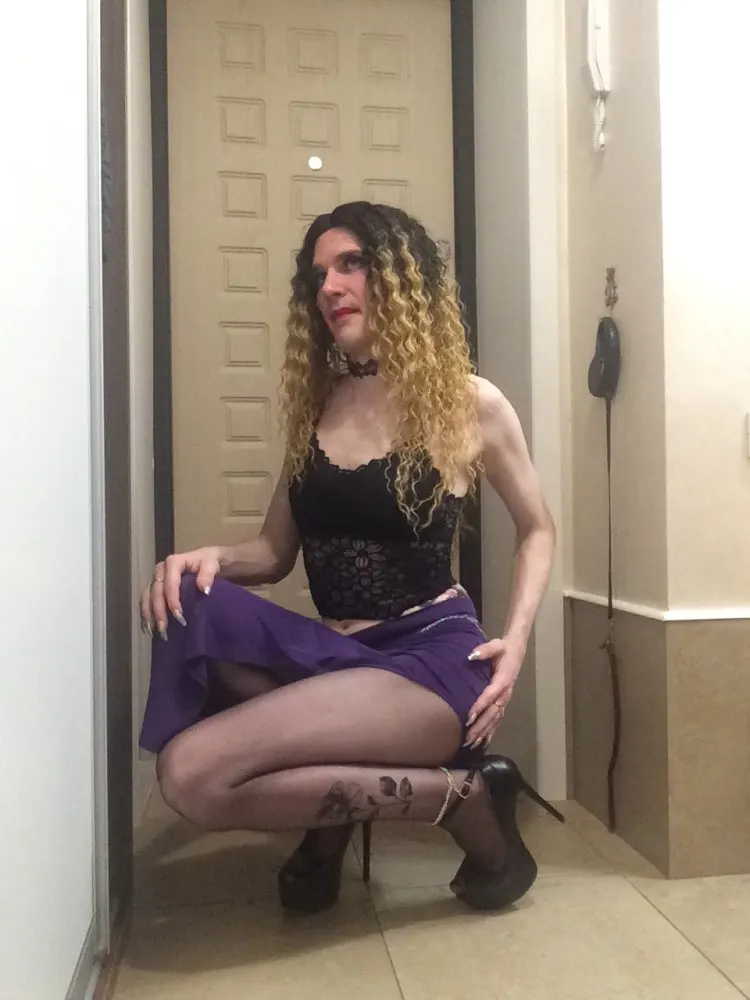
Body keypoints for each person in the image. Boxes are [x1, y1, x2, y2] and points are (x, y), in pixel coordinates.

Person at [138, 201, 559, 914]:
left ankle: (458, 796)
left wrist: (514, 644)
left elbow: (537, 528)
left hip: (428, 663)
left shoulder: (468, 403)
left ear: (403, 275)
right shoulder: (319, 406)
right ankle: (338, 820)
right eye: (318, 276)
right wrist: (202, 558)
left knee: (190, 774)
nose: (329, 287)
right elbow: (273, 553)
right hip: (334, 655)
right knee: (193, 599)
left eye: (351, 264)